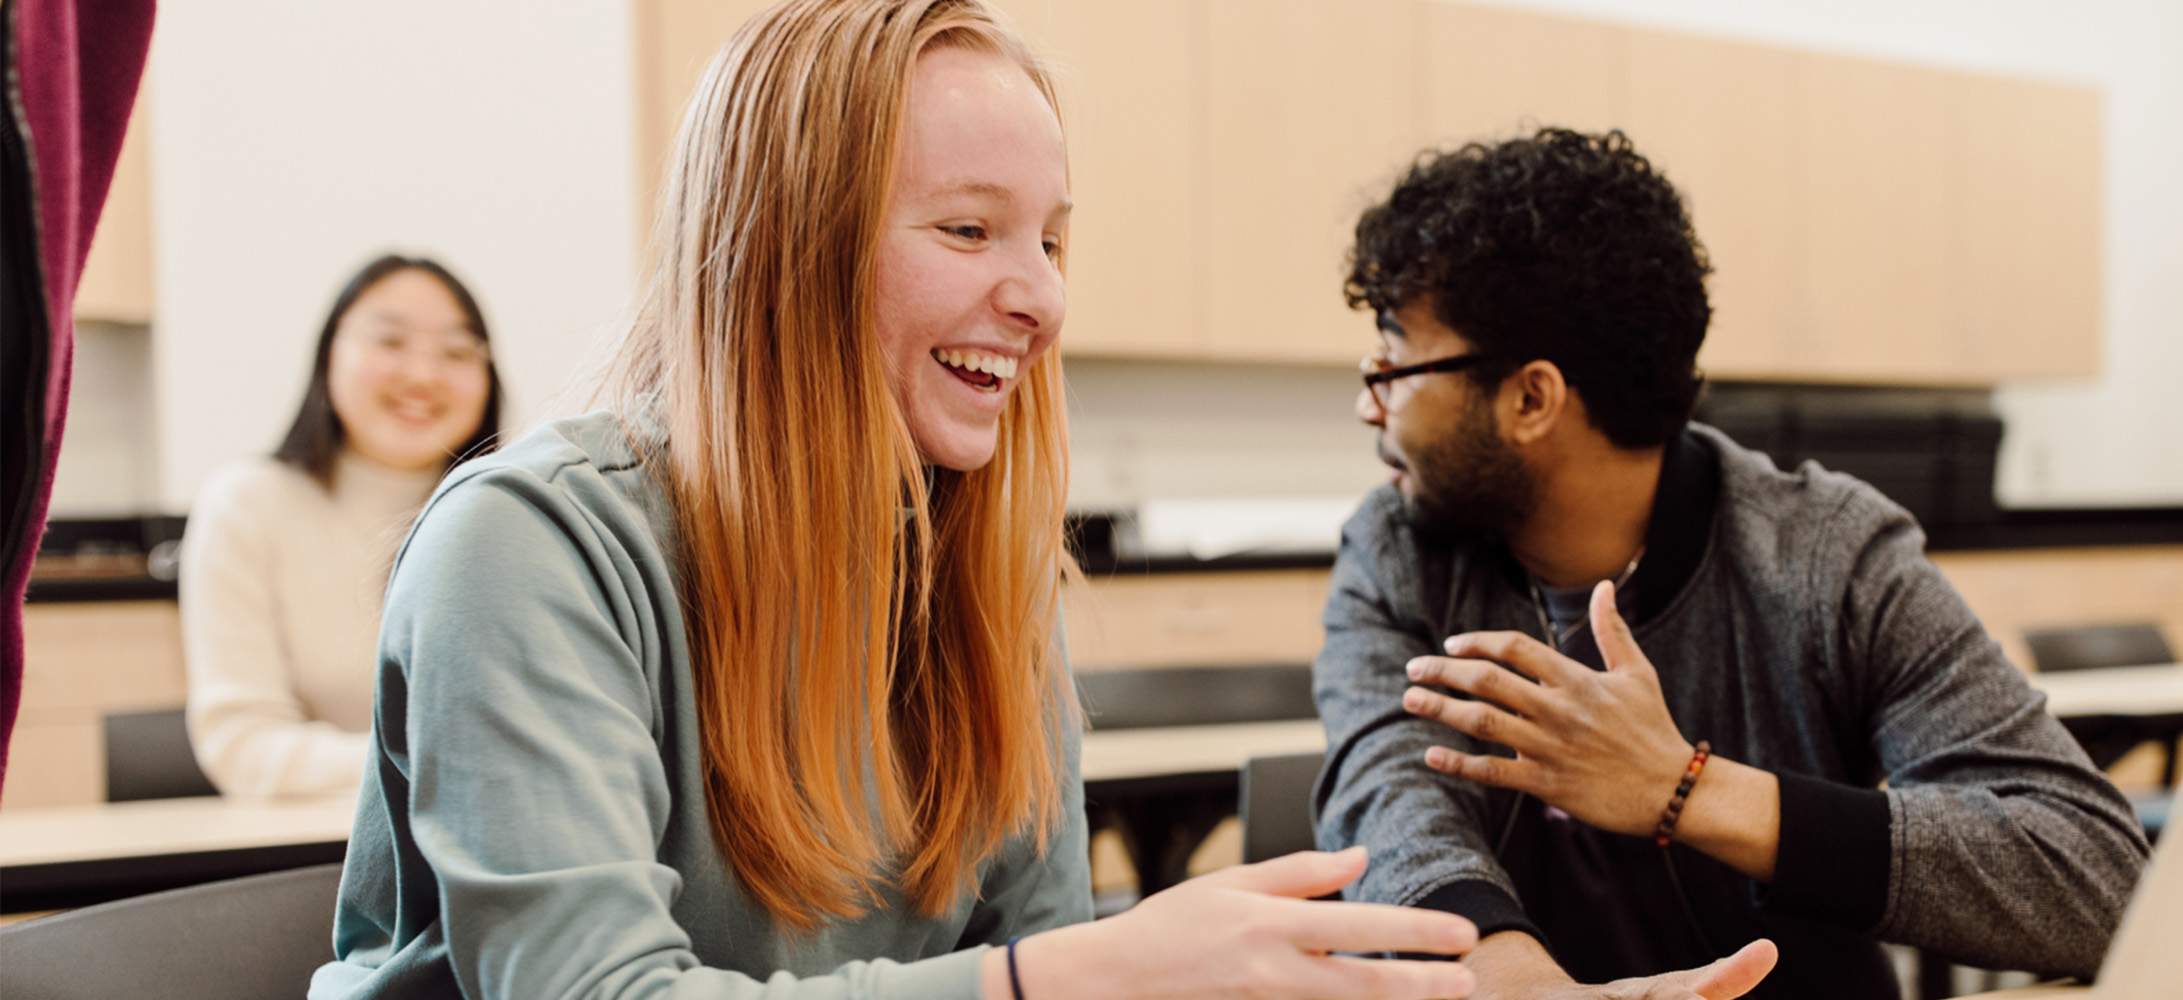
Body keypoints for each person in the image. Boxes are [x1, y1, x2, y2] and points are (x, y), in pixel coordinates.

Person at [312, 4, 1757, 999]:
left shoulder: (966, 579)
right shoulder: (528, 551)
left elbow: (1056, 961)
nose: (1045, 298)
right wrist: (1075, 974)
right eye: (968, 230)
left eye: (1054, 240)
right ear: (776, 253)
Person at [1312, 127, 2151, 1000]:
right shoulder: (1396, 553)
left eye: (1396, 361)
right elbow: (1391, 808)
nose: (1369, 403)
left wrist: (1686, 789)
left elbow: (2094, 879)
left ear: (1532, 398)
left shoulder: (1828, 557)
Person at [180, 254, 501, 799]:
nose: (423, 376)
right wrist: (440, 765)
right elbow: (242, 745)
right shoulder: (248, 504)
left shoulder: (509, 512)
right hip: (314, 857)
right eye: (390, 342)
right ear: (329, 353)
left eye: (455, 351)